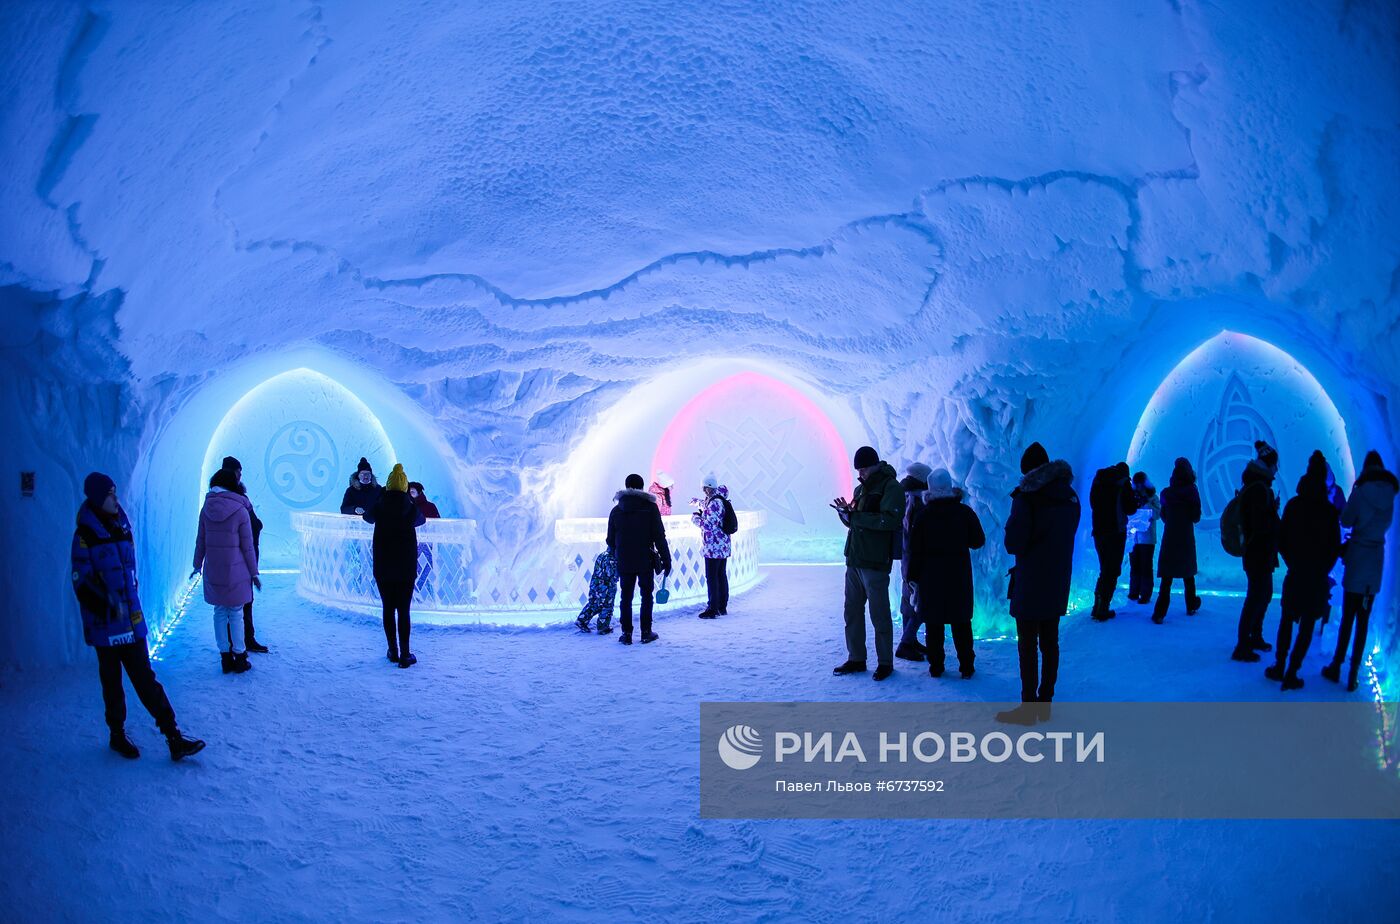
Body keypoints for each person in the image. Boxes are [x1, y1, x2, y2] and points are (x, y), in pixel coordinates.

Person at [72, 473, 205, 761]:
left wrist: (129, 607)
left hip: (131, 621)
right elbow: (81, 581)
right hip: (105, 626)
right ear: (97, 497)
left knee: (146, 679)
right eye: (110, 494)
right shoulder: (85, 535)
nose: (115, 499)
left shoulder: (122, 525)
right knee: (112, 681)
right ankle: (117, 735)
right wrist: (110, 606)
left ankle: (173, 736)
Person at [997, 442, 1080, 725]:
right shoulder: (1070, 496)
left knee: (1028, 645)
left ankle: (1028, 707)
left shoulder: (1027, 497)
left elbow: (1014, 542)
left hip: (1031, 580)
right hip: (1058, 579)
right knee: (1050, 642)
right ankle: (1045, 704)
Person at [1266, 452, 1341, 690]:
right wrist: (1322, 570)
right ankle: (1292, 672)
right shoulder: (1329, 512)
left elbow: (1282, 539)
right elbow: (1334, 548)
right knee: (1307, 625)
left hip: (1296, 573)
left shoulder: (1294, 505)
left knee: (1287, 619)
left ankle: (1279, 665)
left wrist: (1292, 563)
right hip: (1316, 577)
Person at [831, 446, 906, 681]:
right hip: (854, 560)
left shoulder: (891, 487)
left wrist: (856, 517)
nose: (860, 473)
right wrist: (846, 515)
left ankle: (885, 662)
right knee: (851, 612)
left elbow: (891, 520)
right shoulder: (860, 489)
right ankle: (857, 658)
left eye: (863, 468)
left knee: (879, 614)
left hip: (874, 562)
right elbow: (857, 523)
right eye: (858, 470)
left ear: (875, 465)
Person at [1324, 451, 1397, 691]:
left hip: (1357, 558)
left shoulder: (1361, 491)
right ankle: (1354, 672)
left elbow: (1345, 520)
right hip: (1375, 560)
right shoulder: (1390, 494)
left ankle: (1336, 666)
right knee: (1363, 620)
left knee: (1347, 617)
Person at [905, 468, 985, 679]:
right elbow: (978, 541)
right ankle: (967, 667)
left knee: (934, 624)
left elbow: (915, 550)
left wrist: (911, 578)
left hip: (931, 579)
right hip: (959, 578)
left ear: (930, 488)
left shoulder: (923, 516)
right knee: (961, 624)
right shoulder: (964, 512)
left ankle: (936, 667)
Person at [193, 467, 261, 674]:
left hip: (214, 569)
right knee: (236, 612)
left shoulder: (206, 508)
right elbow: (247, 546)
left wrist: (197, 564)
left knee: (219, 612)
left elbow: (201, 540)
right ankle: (240, 657)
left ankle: (225, 658)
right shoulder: (240, 510)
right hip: (236, 571)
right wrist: (254, 572)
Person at [363, 463, 425, 667]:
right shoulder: (409, 505)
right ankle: (406, 654)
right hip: (406, 566)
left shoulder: (380, 504)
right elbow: (421, 520)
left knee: (388, 608)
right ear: (405, 487)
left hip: (383, 565)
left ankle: (393, 650)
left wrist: (382, 497)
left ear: (388, 486)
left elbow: (367, 517)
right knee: (404, 610)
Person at [607, 474, 672, 645]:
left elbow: (610, 540)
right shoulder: (650, 508)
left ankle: (626, 634)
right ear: (642, 487)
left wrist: (618, 551)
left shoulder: (616, 510)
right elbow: (659, 536)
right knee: (646, 596)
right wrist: (666, 559)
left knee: (625, 597)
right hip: (645, 559)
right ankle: (646, 632)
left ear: (626, 486)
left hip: (624, 560)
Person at [1232, 441, 1281, 662]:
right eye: (1275, 465)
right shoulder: (1259, 490)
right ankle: (1243, 645)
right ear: (1268, 466)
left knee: (1263, 594)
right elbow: (1261, 524)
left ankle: (1254, 636)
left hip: (1258, 552)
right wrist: (1273, 515)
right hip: (1258, 552)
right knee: (1255, 597)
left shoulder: (1256, 487)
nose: (1276, 469)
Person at [220, 456, 269, 653]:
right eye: (237, 472)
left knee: (243, 599)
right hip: (239, 556)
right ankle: (239, 642)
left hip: (244, 554)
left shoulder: (237, 497)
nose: (240, 475)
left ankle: (243, 639)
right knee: (236, 602)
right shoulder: (233, 499)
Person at [1152, 457, 1203, 622]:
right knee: (1188, 574)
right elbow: (1196, 517)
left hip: (1170, 538)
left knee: (1167, 577)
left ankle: (1159, 612)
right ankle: (1191, 605)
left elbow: (1164, 516)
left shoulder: (1166, 493)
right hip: (1186, 538)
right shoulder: (1192, 492)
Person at [894, 462, 933, 663]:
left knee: (908, 599)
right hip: (917, 557)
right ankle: (906, 643)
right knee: (921, 600)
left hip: (906, 557)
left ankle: (909, 639)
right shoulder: (917, 500)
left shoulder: (904, 496)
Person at [1088, 461, 1134, 621]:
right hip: (1116, 531)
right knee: (1112, 570)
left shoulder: (1098, 480)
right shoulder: (1123, 483)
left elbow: (1092, 503)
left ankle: (1097, 606)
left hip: (1099, 531)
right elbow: (1130, 508)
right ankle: (1103, 608)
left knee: (1104, 569)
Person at [692, 474, 732, 619]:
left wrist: (695, 518)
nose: (703, 490)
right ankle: (722, 606)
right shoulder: (719, 500)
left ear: (708, 487)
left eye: (704, 488)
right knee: (720, 575)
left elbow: (709, 525)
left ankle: (713, 608)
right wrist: (698, 503)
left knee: (712, 577)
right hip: (721, 545)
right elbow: (708, 506)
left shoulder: (715, 503)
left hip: (713, 546)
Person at [1125, 472, 1159, 605]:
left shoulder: (1152, 497)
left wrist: (1146, 504)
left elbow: (1157, 514)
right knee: (1135, 565)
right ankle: (1134, 591)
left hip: (1147, 538)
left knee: (1145, 565)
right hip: (1133, 537)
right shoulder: (1131, 497)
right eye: (1136, 483)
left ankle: (1145, 594)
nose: (1138, 487)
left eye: (1140, 483)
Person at [574, 547, 619, 634]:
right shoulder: (613, 559)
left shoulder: (602, 555)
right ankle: (603, 627)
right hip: (607, 587)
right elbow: (611, 575)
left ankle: (581, 620)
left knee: (594, 603)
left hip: (595, 583)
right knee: (607, 606)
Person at [407, 481, 440, 595]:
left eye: (412, 492)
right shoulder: (407, 506)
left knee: (425, 567)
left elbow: (437, 523)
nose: (410, 494)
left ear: (419, 492)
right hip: (410, 542)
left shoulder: (429, 506)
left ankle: (423, 592)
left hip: (426, 542)